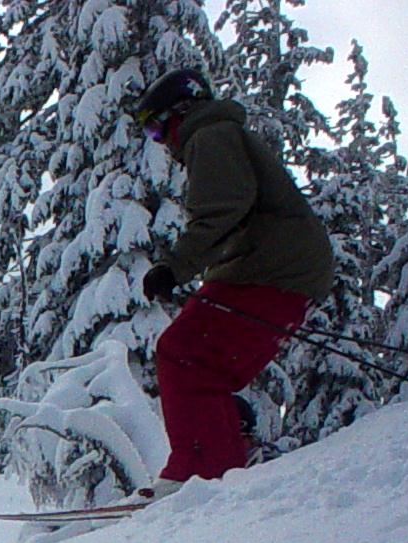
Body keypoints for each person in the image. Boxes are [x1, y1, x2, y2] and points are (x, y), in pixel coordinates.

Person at [134, 68, 334, 500]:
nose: (160, 141)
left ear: (179, 112)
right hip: (276, 268)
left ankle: (204, 472)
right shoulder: (217, 134)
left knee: (183, 353)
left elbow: (222, 211)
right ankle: (223, 466)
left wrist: (175, 267)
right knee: (202, 364)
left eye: (155, 126)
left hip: (272, 269)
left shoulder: (210, 136)